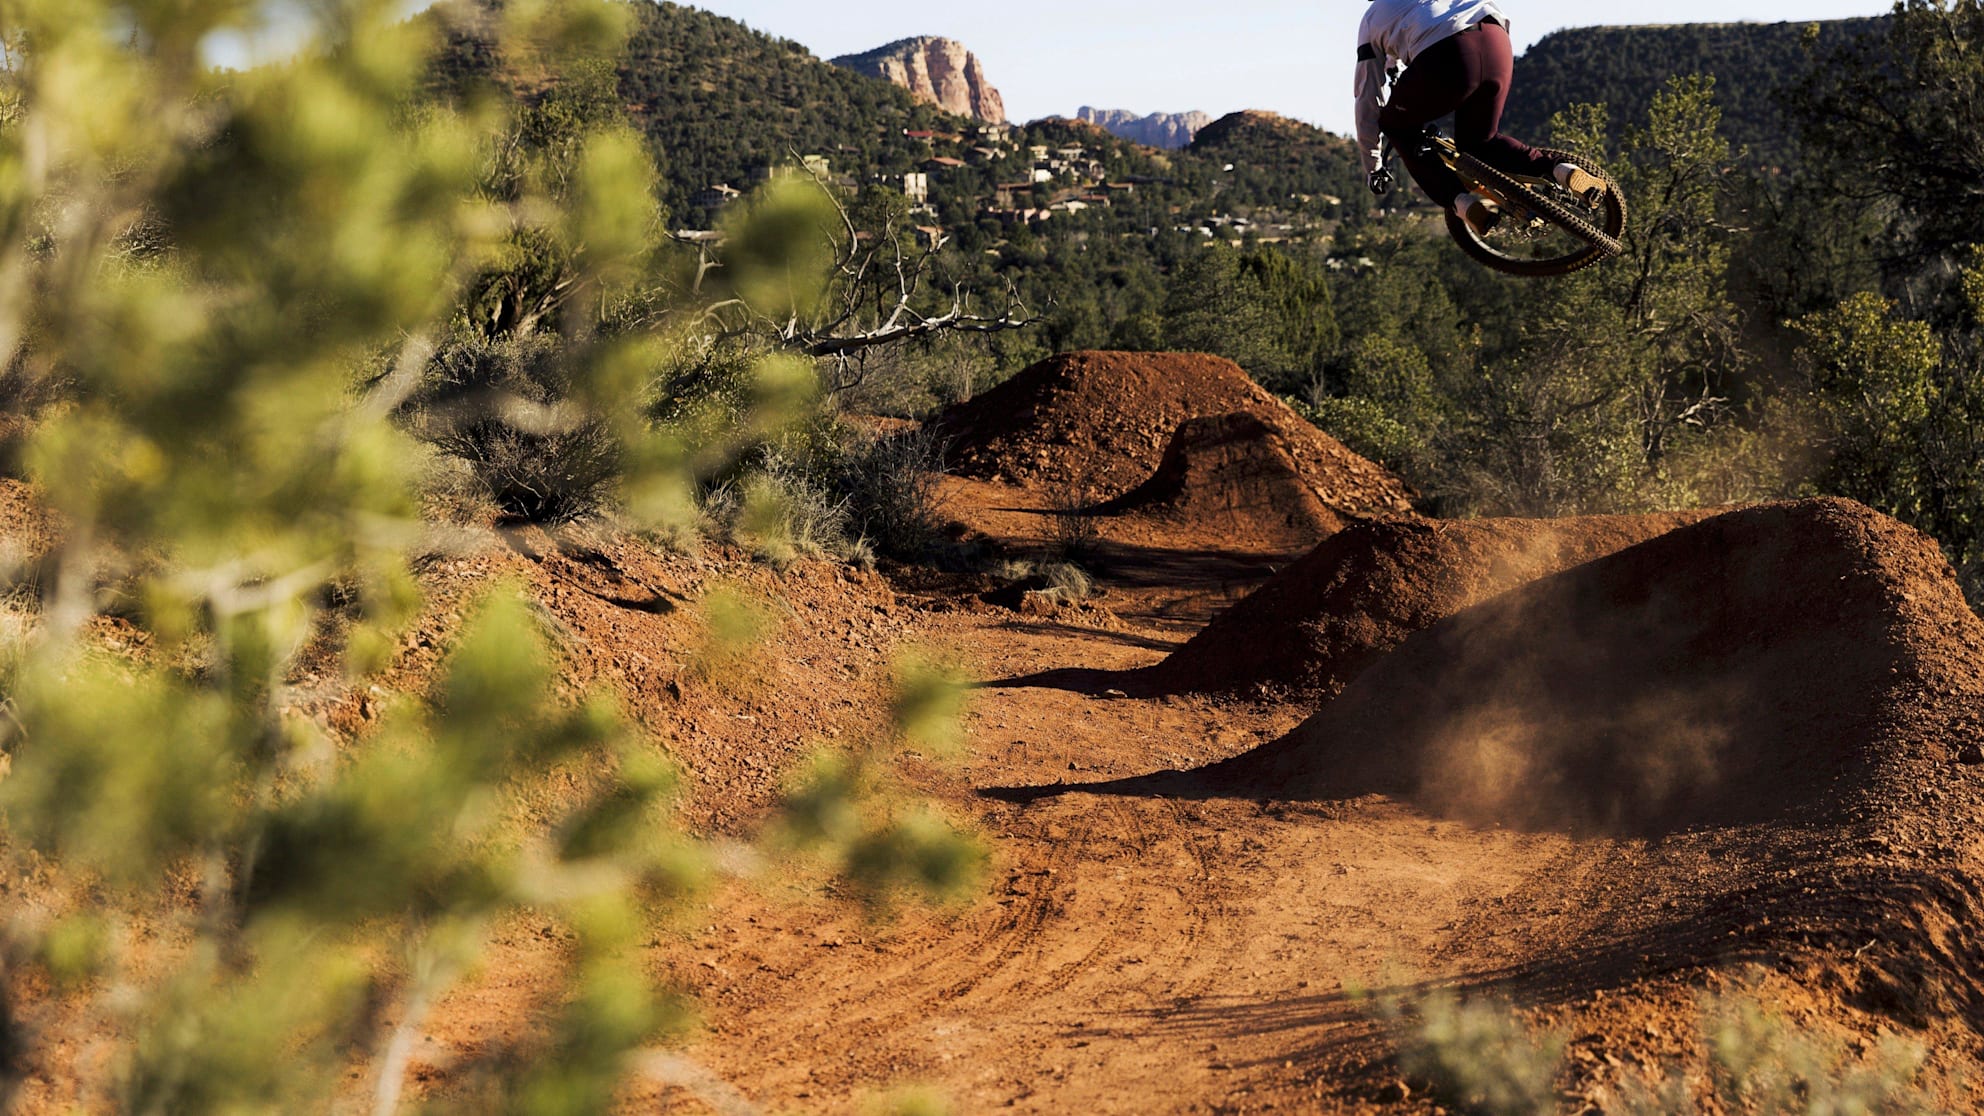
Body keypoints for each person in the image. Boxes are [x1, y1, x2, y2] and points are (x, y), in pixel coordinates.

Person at [1353, 0, 1598, 235]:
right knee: (1481, 143)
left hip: (1447, 54)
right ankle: (1562, 170)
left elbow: (1367, 97)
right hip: (1496, 42)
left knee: (1396, 126)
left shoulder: (1372, 18)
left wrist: (1373, 166)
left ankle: (1462, 203)